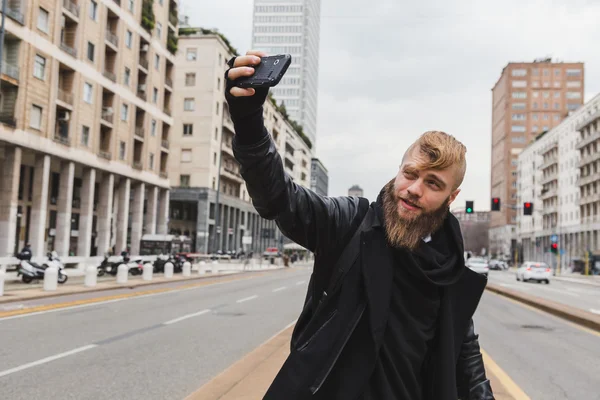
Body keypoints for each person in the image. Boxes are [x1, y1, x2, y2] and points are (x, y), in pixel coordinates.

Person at [225, 51, 494, 400]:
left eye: (433, 184)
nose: (414, 189)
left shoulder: (449, 266)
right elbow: (279, 197)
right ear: (399, 170)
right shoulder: (350, 223)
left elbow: (464, 351)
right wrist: (248, 123)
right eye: (410, 174)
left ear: (452, 196)